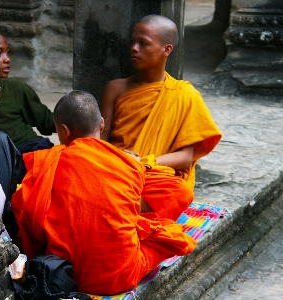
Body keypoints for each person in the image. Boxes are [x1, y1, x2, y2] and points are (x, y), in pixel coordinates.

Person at [11, 91, 197, 295]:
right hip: (120, 277)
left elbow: (25, 214)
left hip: (63, 272)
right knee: (170, 234)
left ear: (64, 131)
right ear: (101, 125)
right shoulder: (127, 162)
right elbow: (173, 193)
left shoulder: (45, 162)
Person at [100, 15, 222, 221]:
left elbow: (185, 158)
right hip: (118, 169)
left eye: (143, 43)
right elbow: (100, 140)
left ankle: (113, 208)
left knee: (181, 193)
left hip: (154, 174)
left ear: (166, 50)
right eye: (133, 41)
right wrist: (121, 160)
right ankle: (121, 208)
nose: (134, 48)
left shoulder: (184, 94)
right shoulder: (115, 88)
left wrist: (144, 162)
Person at [0, 34, 55, 154]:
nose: (7, 59)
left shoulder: (16, 90)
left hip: (33, 150)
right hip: (29, 152)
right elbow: (48, 122)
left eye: (7, 52)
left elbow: (48, 122)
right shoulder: (16, 90)